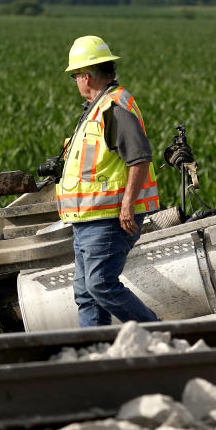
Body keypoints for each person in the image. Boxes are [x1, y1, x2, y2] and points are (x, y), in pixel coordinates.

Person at [54, 35, 161, 326]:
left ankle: (159, 335)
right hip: (88, 220)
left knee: (100, 284)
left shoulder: (115, 108)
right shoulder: (96, 108)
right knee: (86, 292)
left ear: (86, 76)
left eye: (75, 75)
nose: (75, 81)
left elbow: (139, 158)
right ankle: (97, 358)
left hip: (109, 219)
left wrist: (127, 206)